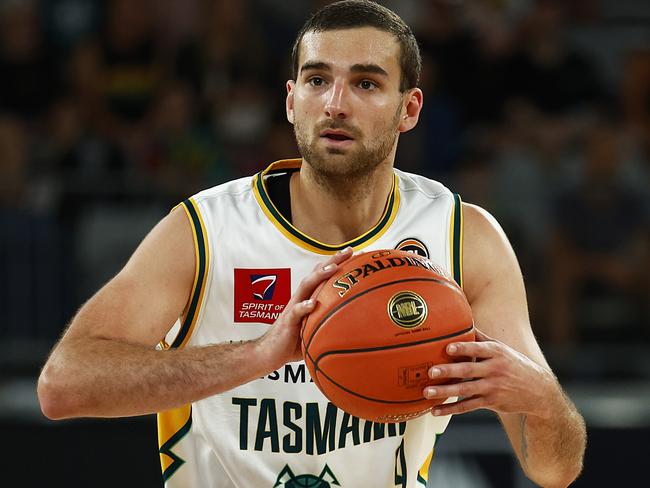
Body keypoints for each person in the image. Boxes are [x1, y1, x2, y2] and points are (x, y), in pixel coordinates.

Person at [37, 1, 586, 487]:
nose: (336, 103)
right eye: (318, 80)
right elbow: (63, 386)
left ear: (410, 109)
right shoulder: (205, 230)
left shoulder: (462, 238)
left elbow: (553, 469)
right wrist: (257, 355)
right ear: (291, 100)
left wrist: (540, 398)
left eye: (366, 83)